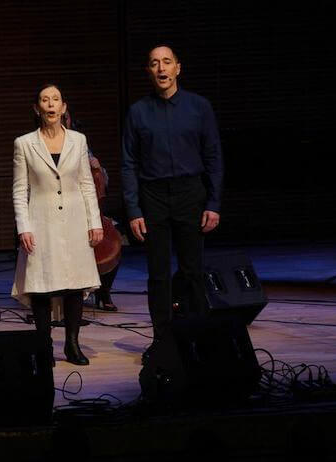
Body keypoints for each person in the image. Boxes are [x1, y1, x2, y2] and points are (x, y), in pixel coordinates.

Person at [121, 44, 224, 360]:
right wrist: (134, 209)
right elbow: (128, 163)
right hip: (153, 197)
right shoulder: (138, 112)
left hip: (190, 195)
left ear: (178, 67)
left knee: (193, 271)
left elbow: (213, 156)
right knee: (158, 274)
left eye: (167, 62)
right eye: (154, 63)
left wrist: (214, 202)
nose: (161, 68)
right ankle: (163, 341)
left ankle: (199, 338)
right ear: (149, 71)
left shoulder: (199, 107)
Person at [12, 84, 103, 365]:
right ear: (36, 108)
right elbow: (19, 189)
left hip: (75, 221)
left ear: (63, 107)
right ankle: (44, 345)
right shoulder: (24, 143)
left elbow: (87, 185)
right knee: (41, 286)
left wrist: (95, 222)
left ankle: (73, 345)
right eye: (44, 100)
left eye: (55, 100)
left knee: (74, 285)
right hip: (41, 221)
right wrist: (23, 227)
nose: (50, 105)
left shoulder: (78, 140)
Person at [63, 111, 119, 312]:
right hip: (65, 211)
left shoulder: (80, 143)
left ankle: (105, 292)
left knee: (115, 243)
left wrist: (98, 167)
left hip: (89, 210)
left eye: (65, 117)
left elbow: (103, 181)